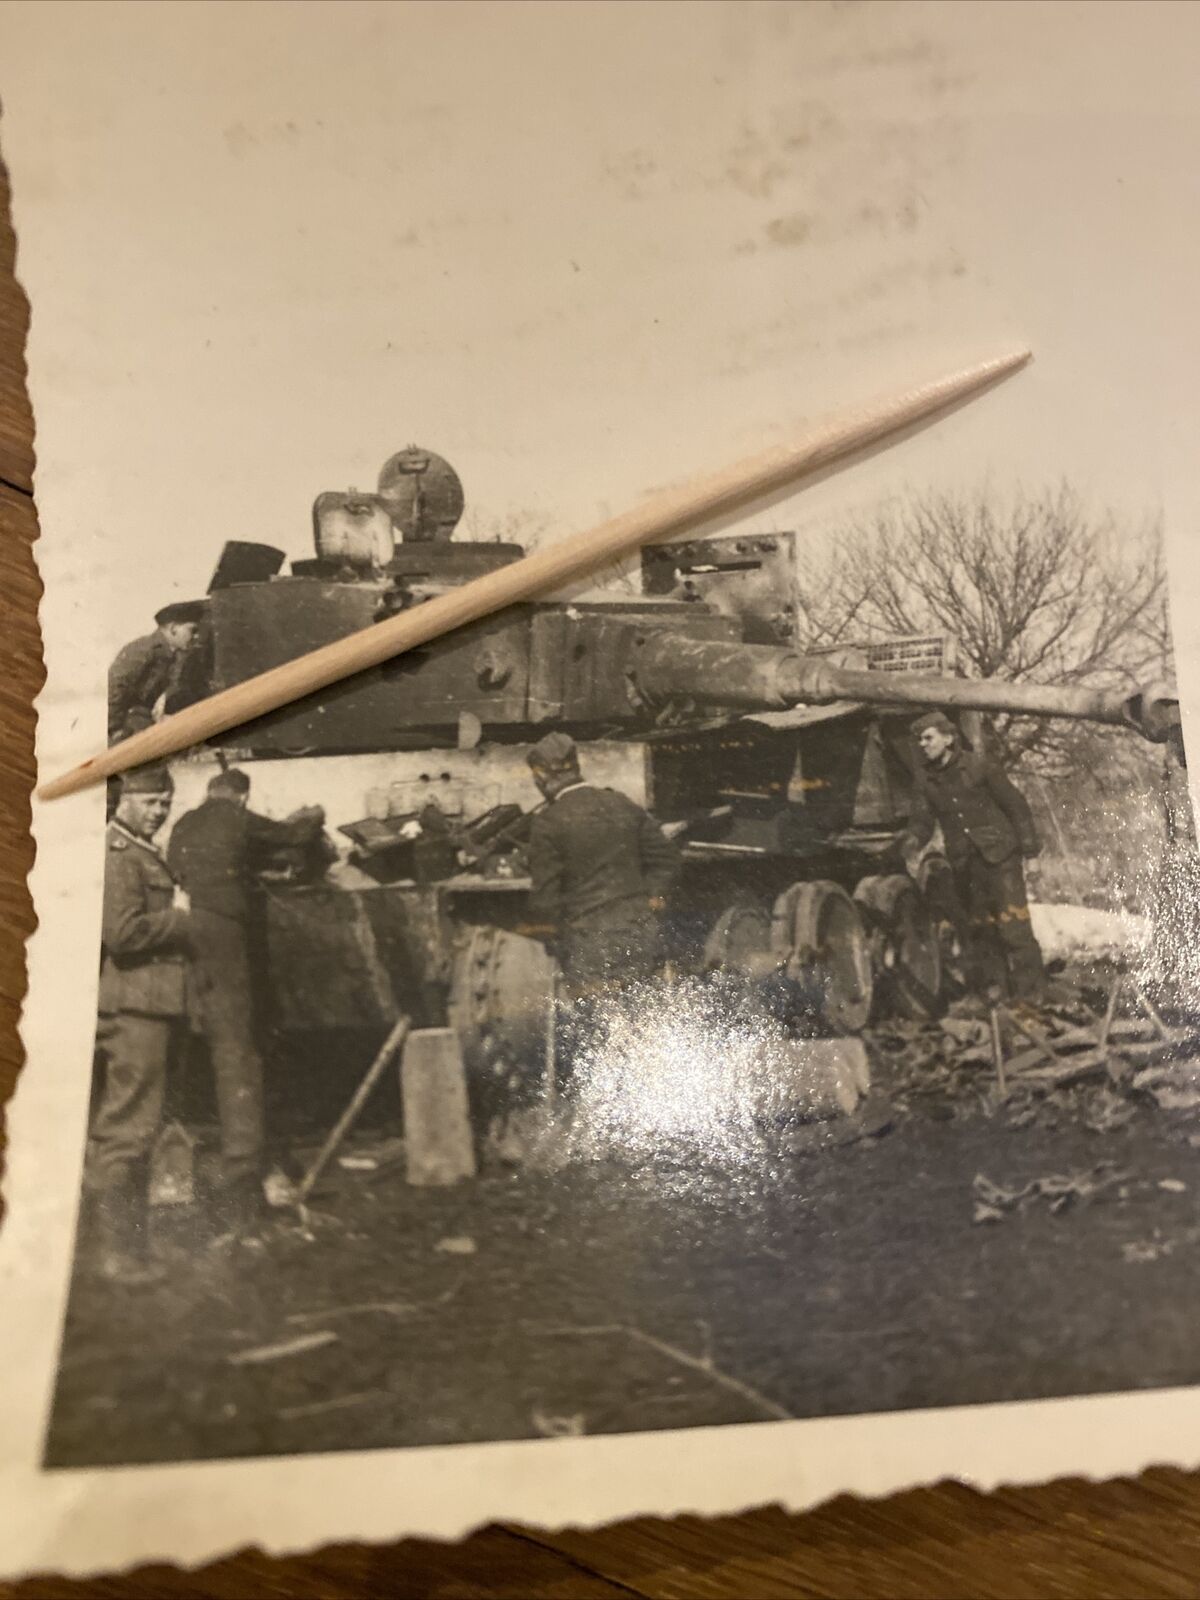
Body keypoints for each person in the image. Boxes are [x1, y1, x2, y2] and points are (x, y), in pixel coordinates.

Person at [166, 769, 325, 1232]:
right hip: (224, 930)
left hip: (187, 927)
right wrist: (313, 817)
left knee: (208, 1032)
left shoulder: (185, 823)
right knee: (238, 1044)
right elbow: (291, 836)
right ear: (241, 796)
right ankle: (243, 1168)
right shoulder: (236, 817)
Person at [523, 732, 679, 1081]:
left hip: (589, 945)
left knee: (598, 1037)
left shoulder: (548, 822)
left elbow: (545, 899)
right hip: (639, 933)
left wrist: (547, 932)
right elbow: (667, 859)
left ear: (541, 775)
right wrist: (654, 899)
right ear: (575, 767)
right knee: (645, 1025)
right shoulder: (621, 804)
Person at [90, 763, 190, 1284]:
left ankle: (132, 1249)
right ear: (125, 800)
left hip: (151, 1004)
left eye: (165, 804)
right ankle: (119, 1255)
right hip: (136, 1007)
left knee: (139, 1126)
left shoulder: (142, 851)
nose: (158, 812)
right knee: (128, 1130)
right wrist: (182, 919)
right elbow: (122, 934)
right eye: (150, 802)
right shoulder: (119, 855)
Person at [899, 710, 1045, 1005]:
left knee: (1013, 927)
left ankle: (1031, 996)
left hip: (1002, 857)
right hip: (965, 864)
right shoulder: (926, 780)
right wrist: (910, 843)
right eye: (919, 740)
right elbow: (922, 822)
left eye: (928, 738)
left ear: (948, 738)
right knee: (982, 930)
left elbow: (1016, 807)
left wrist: (1031, 853)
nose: (922, 745)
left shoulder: (980, 766)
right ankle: (996, 995)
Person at [107, 600, 205, 743]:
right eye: (192, 630)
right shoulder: (143, 650)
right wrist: (115, 728)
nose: (196, 636)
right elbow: (116, 686)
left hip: (148, 723)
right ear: (173, 628)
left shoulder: (178, 655)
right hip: (129, 727)